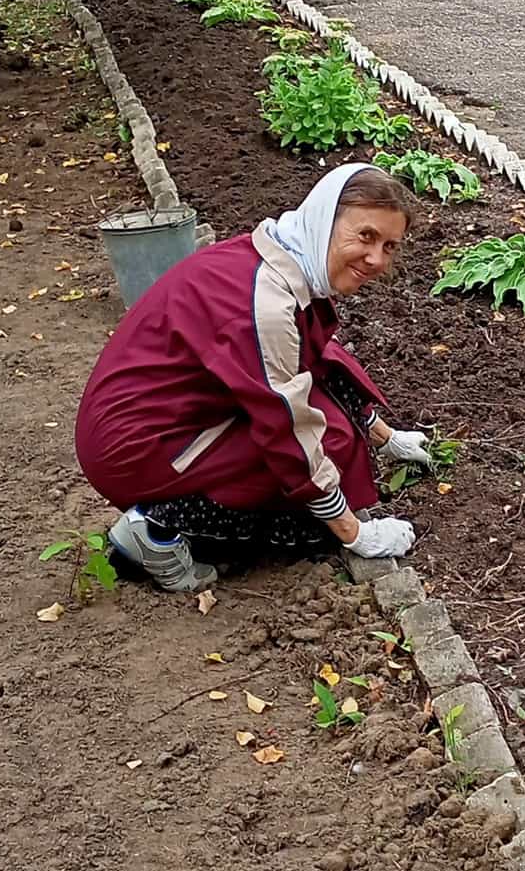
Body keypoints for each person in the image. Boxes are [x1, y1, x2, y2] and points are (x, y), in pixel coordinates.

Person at [75, 164, 429, 591]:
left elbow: (312, 363)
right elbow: (287, 428)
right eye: (365, 236)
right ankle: (156, 528)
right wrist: (355, 532)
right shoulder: (268, 304)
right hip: (136, 449)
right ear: (323, 220)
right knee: (324, 449)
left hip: (156, 418)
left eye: (390, 246)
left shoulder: (276, 256)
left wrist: (384, 436)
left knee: (330, 429)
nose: (376, 259)